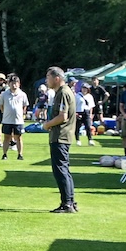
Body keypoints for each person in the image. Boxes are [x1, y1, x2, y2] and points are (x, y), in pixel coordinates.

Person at [42, 67, 78, 213]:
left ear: (57, 78)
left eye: (48, 77)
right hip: (62, 135)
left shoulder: (63, 92)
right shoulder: (62, 92)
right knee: (64, 169)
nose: (46, 80)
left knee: (60, 170)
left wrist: (47, 124)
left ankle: (67, 203)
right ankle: (70, 201)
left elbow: (63, 116)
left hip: (60, 136)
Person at [0, 75, 30, 160]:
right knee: (6, 137)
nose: (14, 85)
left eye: (15, 83)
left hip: (18, 120)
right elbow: (1, 105)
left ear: (19, 84)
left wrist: (22, 114)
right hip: (7, 120)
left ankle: (20, 154)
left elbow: (25, 106)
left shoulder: (22, 94)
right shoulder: (4, 94)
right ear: (9, 84)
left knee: (18, 137)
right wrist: (5, 112)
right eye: (12, 83)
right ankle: (4, 154)